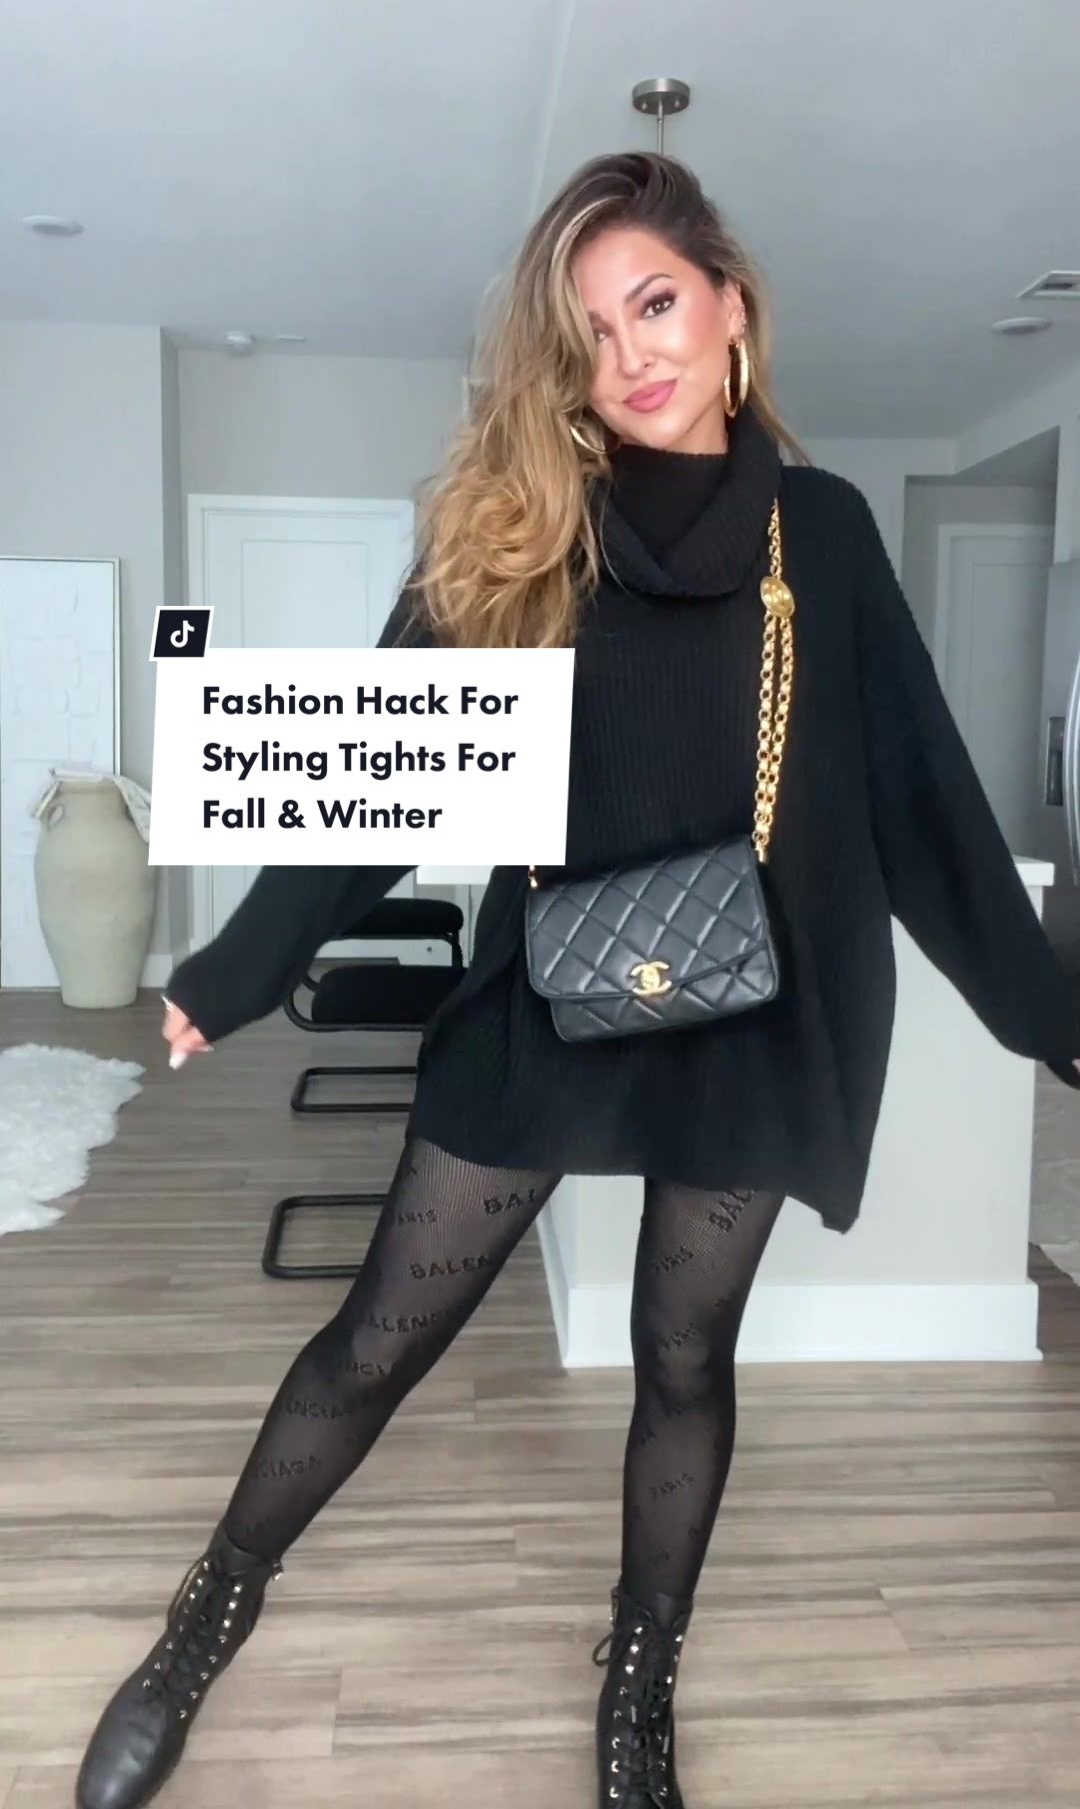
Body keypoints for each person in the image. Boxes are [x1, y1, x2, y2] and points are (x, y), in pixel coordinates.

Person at [75, 150, 1080, 1809]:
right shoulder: (520, 529)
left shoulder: (821, 537)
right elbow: (383, 781)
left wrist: (1052, 1020)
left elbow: (925, 806)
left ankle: (639, 1682)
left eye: (657, 303)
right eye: (594, 333)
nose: (633, 355)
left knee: (684, 1359)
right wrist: (242, 963)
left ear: (732, 308)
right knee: (374, 1342)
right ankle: (201, 1627)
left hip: (760, 1017)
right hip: (547, 1002)